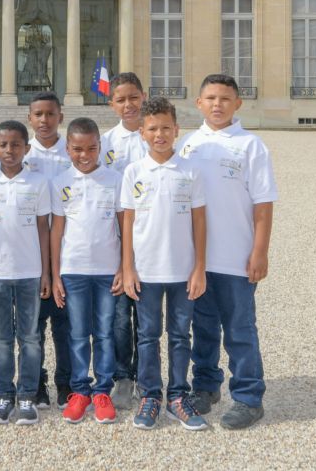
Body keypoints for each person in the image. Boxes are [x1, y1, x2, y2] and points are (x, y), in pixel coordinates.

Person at [178, 73, 275, 430]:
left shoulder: (251, 146)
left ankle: (249, 397)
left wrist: (259, 252)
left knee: (239, 328)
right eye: (210, 98)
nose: (217, 104)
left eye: (224, 98)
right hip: (197, 260)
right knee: (202, 327)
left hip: (236, 256)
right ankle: (205, 386)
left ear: (238, 103)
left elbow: (263, 205)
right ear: (199, 103)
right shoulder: (188, 144)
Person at [118, 96, 209, 432]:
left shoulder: (190, 171)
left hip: (183, 270)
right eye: (153, 128)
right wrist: (127, 268)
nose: (160, 134)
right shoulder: (133, 172)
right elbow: (127, 223)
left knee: (180, 336)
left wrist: (200, 267)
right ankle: (151, 395)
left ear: (176, 130)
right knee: (147, 335)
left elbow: (200, 222)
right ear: (142, 132)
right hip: (146, 271)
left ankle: (177, 396)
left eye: (166, 128)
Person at [0, 120, 50, 426]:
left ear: (26, 148)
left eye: (16, 144)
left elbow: (44, 229)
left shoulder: (39, 183)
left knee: (30, 337)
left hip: (30, 272)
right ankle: (4, 392)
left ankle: (28, 394)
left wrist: (46, 273)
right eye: (3, 145)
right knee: (1, 338)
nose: (9, 150)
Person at [48, 117, 123, 424]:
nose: (85, 155)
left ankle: (103, 390)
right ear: (68, 149)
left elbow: (124, 225)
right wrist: (54, 276)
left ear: (99, 147)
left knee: (104, 333)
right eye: (78, 149)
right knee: (78, 334)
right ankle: (80, 390)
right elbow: (56, 231)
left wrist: (124, 267)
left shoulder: (115, 179)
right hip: (73, 270)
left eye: (91, 148)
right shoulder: (60, 182)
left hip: (107, 270)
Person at [99, 71, 147, 406]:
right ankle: (123, 376)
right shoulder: (105, 143)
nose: (128, 105)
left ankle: (147, 375)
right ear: (111, 103)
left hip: (152, 235)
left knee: (147, 314)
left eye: (133, 97)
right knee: (118, 315)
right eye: (120, 99)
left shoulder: (157, 135)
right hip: (115, 237)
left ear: (143, 96)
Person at [24, 92, 71, 408]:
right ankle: (37, 381)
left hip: (69, 253)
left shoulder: (75, 150)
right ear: (30, 118)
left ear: (60, 117)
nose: (44, 120)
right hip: (32, 253)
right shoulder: (20, 152)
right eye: (38, 114)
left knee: (67, 327)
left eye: (50, 114)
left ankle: (66, 383)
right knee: (34, 326)